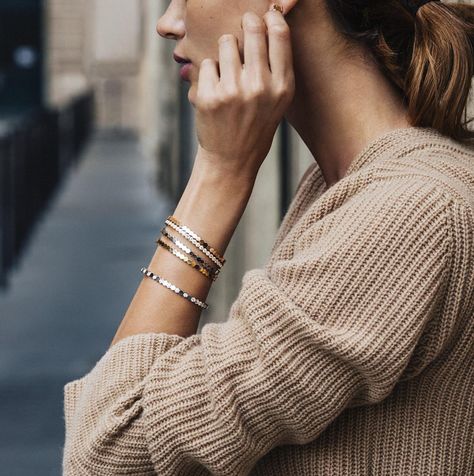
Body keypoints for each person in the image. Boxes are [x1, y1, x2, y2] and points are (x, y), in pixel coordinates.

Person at [62, 0, 474, 474]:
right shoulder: (347, 187)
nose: (167, 23)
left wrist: (219, 173)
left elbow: (107, 452)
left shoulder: (405, 215)